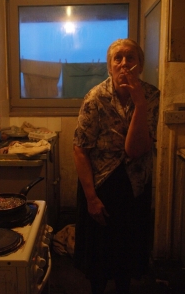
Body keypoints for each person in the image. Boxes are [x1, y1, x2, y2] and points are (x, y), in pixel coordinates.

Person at [73, 38, 160, 294]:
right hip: (100, 184)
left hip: (135, 184)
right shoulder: (95, 98)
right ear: (109, 67)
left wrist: (139, 103)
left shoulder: (152, 95)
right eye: (117, 59)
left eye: (130, 58)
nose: (124, 64)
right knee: (99, 255)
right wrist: (91, 198)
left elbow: (135, 150)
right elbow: (80, 149)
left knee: (128, 251)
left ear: (140, 65)